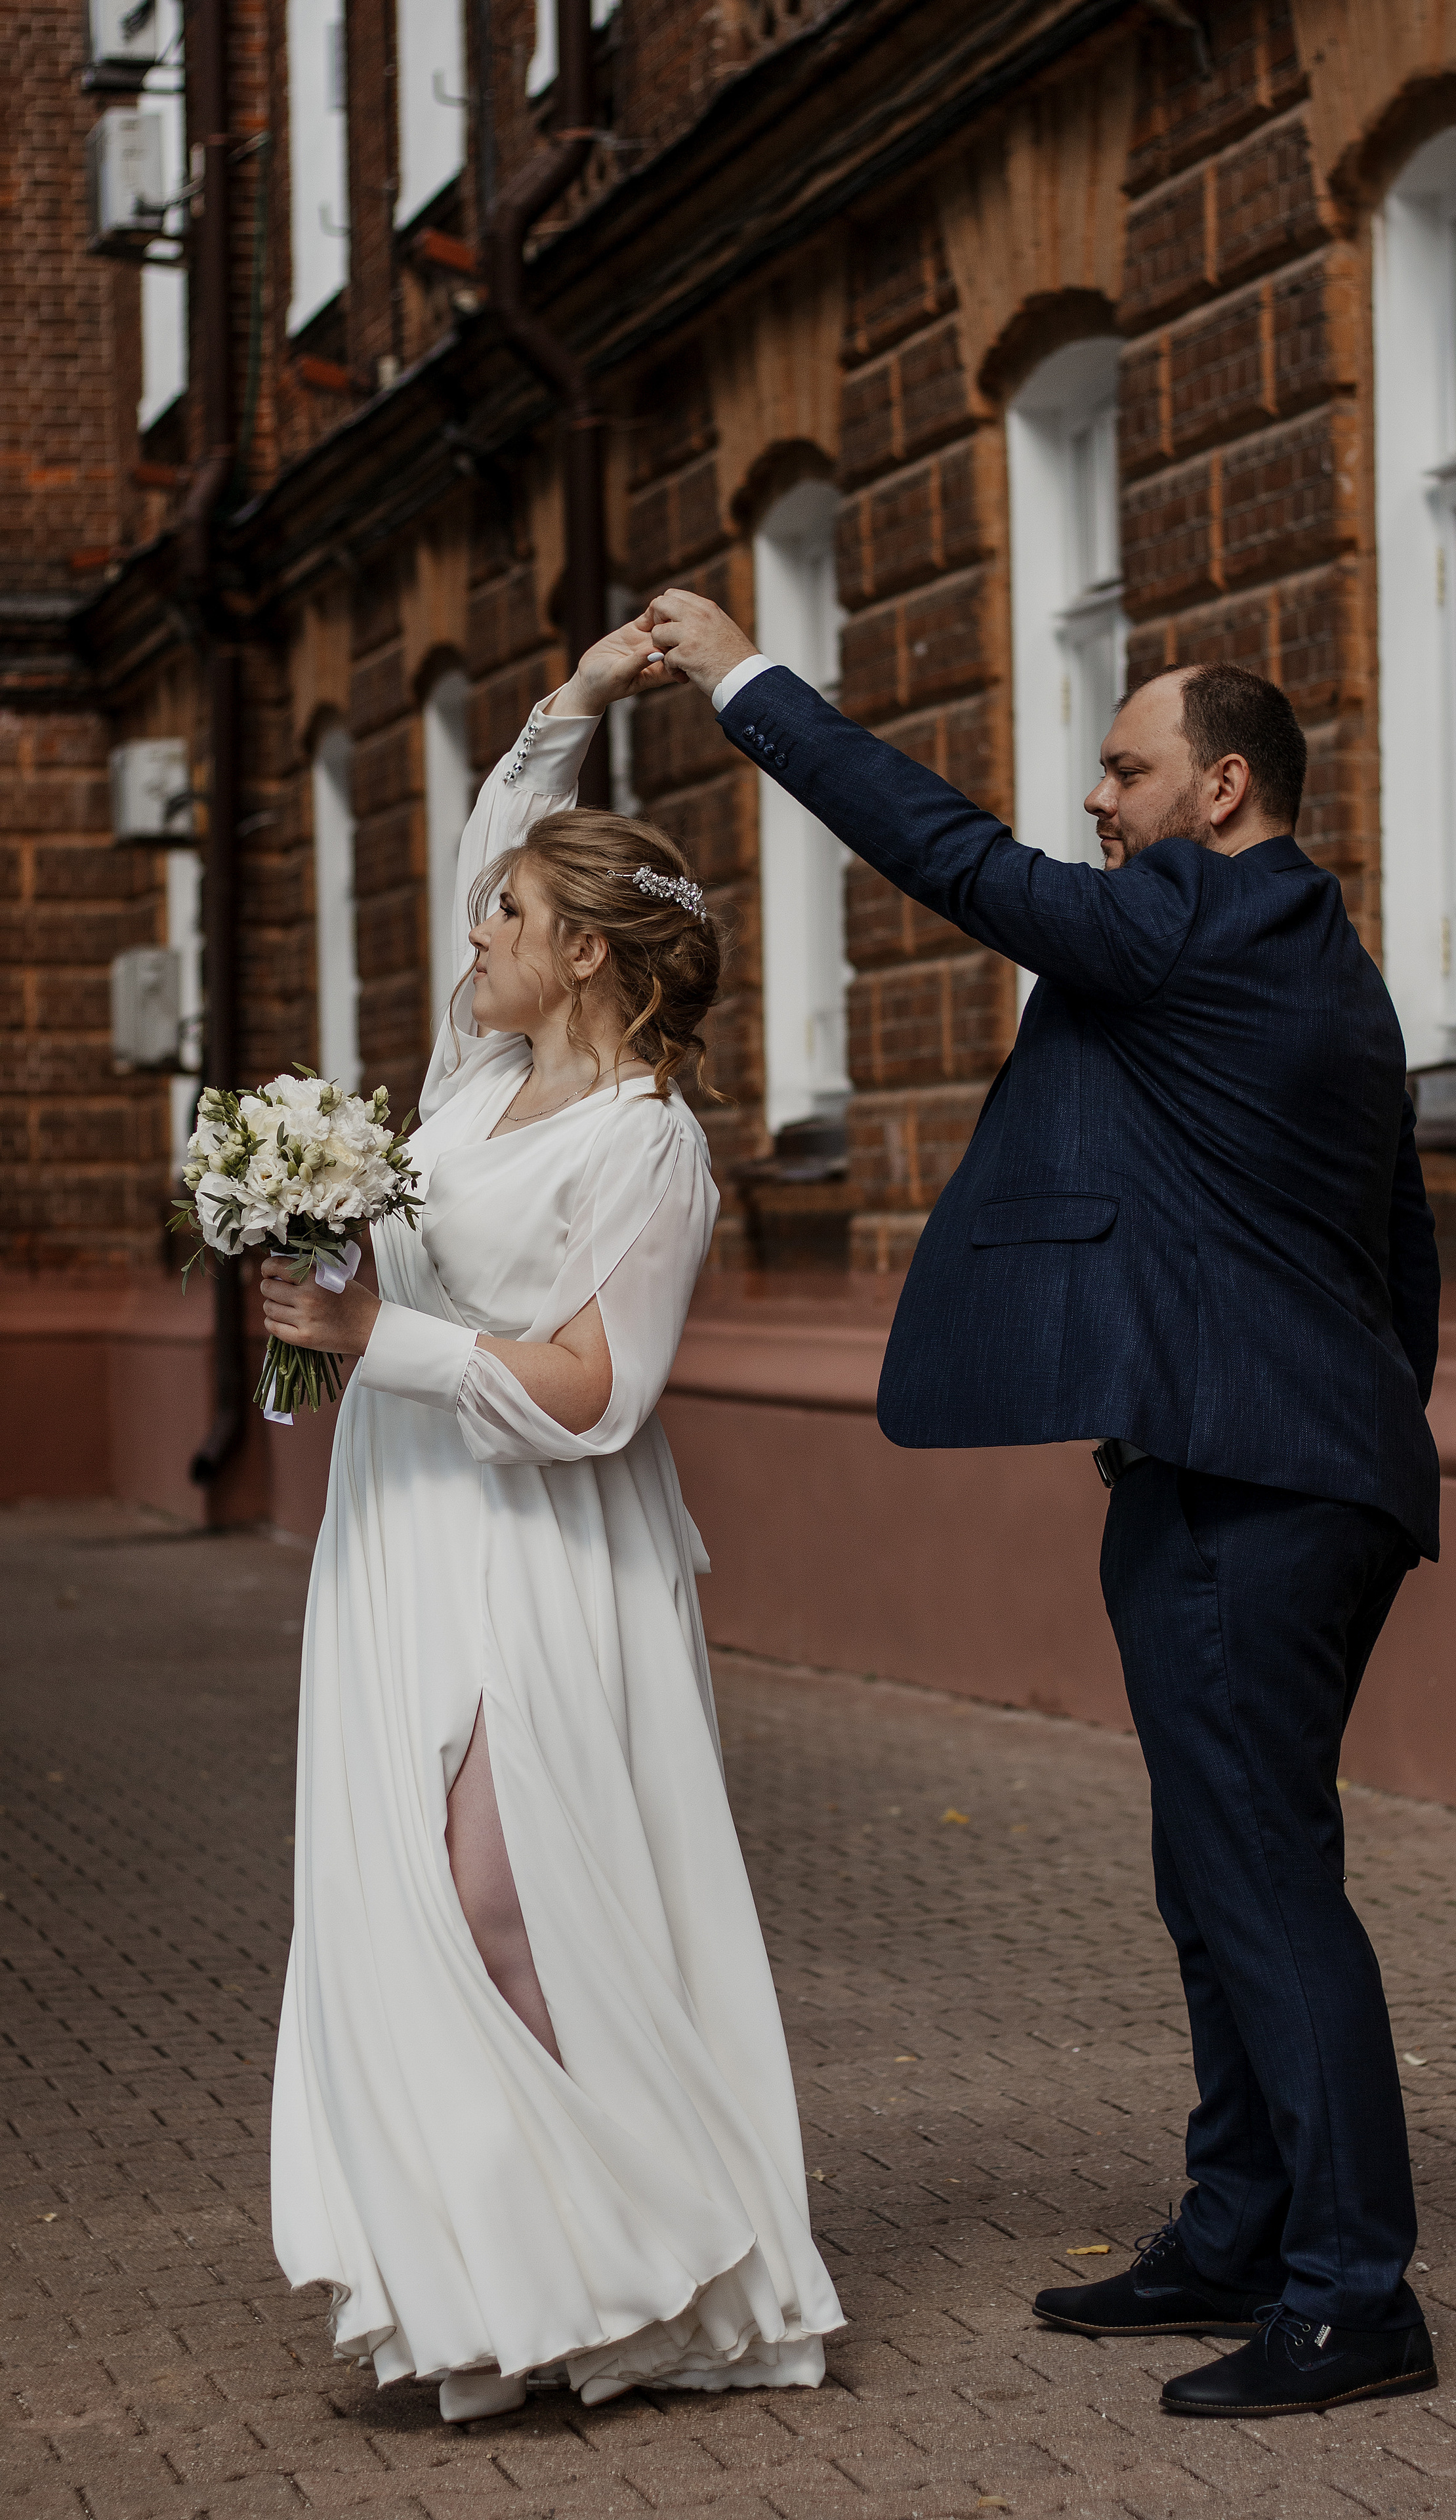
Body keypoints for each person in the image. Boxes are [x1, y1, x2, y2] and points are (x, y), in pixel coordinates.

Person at [641, 587, 1442, 2422]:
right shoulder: (1336, 964)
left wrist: (751, 681)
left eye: (1125, 768)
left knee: (1262, 1881)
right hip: (1310, 1466)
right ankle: (1241, 2226)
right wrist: (1368, 1437)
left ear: (1222, 786)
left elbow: (957, 862)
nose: (1098, 801)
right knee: (1221, 1869)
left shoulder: (1188, 916)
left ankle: (1352, 2292)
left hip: (1249, 1480)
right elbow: (1395, 1249)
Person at [259, 621, 843, 2424]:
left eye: (509, 921)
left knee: (509, 1900)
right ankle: (507, 2284)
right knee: (409, 1900)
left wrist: (382, 1335)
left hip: (539, 1553)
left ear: (585, 951)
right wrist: (582, 698)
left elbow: (600, 1393)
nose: (477, 939)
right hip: (397, 1542)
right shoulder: (473, 1084)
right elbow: (490, 833)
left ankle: (647, 2260)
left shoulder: (648, 1148)